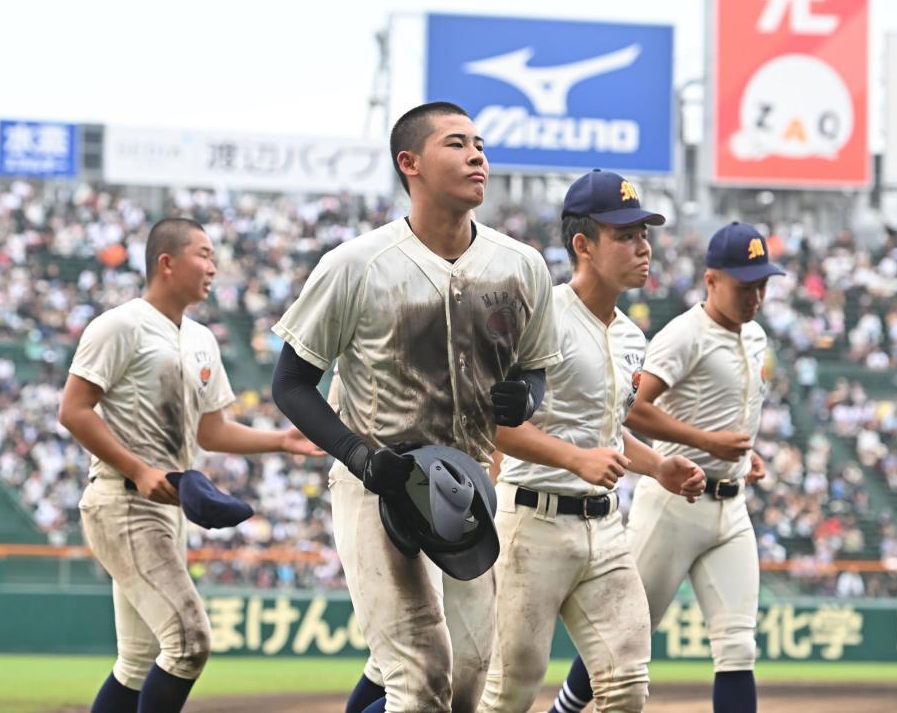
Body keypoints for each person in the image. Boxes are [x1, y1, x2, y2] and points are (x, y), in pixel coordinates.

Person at [270, 101, 561, 713]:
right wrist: (356, 454)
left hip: (470, 486)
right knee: (420, 676)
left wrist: (525, 394)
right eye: (456, 144)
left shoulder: (521, 265)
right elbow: (292, 383)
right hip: (380, 482)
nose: (477, 154)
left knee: (466, 681)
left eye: (479, 143)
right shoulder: (355, 264)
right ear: (411, 164)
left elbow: (535, 368)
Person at [59, 217, 319, 713]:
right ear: (167, 262)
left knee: (138, 662)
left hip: (166, 508)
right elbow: (73, 410)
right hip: (122, 499)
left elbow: (211, 431)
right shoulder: (120, 325)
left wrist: (281, 441)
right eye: (203, 255)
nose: (213, 268)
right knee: (189, 642)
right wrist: (136, 467)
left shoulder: (202, 338)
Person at [477, 170, 705, 713]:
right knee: (509, 691)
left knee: (626, 687)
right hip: (532, 523)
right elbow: (494, 421)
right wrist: (576, 459)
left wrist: (657, 467)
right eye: (625, 235)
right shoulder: (539, 315)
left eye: (644, 234)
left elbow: (605, 428)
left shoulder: (630, 334)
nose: (643, 247)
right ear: (583, 244)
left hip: (605, 531)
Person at [550, 221, 782, 713]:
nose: (755, 295)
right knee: (623, 638)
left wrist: (744, 452)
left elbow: (730, 412)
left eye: (762, 283)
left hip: (731, 506)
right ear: (712, 279)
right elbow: (631, 409)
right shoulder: (684, 335)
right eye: (745, 285)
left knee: (738, 646)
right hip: (674, 507)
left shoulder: (757, 336)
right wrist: (706, 443)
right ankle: (564, 709)